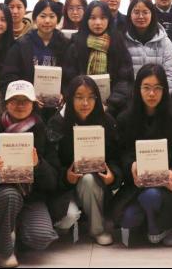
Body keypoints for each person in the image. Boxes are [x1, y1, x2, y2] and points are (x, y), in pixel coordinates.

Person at [0, 81, 59, 268]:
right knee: (9, 196)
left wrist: (38, 165)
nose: (20, 105)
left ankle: (19, 232)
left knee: (41, 237)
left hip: (33, 196)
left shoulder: (43, 130)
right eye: (14, 100)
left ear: (33, 104)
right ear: (6, 103)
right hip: (4, 195)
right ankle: (3, 250)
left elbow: (53, 180)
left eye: (25, 101)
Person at [112, 65, 172, 247]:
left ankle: (161, 227)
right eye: (146, 87)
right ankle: (150, 220)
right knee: (128, 218)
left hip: (168, 186)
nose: (151, 93)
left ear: (164, 89)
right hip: (137, 186)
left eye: (157, 88)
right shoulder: (125, 119)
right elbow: (120, 153)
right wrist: (131, 165)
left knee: (152, 196)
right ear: (138, 89)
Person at [47, 76, 122, 246]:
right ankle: (66, 223)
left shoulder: (107, 122)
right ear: (70, 98)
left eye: (91, 97)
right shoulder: (58, 123)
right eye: (79, 97)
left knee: (88, 180)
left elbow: (116, 157)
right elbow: (51, 163)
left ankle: (97, 230)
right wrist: (66, 177)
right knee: (67, 219)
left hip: (95, 184)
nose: (85, 103)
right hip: (65, 188)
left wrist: (112, 176)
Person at [1, 0, 70, 120]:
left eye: (52, 16)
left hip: (58, 110)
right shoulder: (21, 45)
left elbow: (71, 75)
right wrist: (27, 96)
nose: (47, 21)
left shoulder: (66, 44)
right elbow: (9, 76)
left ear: (58, 19)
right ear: (34, 18)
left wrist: (64, 94)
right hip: (26, 108)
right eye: (42, 16)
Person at [63, 0, 133, 117]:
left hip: (113, 108)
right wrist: (82, 101)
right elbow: (68, 78)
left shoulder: (117, 42)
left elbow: (125, 79)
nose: (98, 22)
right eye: (93, 18)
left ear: (109, 20)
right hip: (80, 107)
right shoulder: (76, 44)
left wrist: (110, 104)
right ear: (86, 20)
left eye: (103, 18)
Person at [124, 0, 172, 93]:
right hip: (130, 96)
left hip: (157, 95)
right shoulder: (122, 40)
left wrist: (164, 96)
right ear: (130, 15)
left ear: (152, 14)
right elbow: (120, 77)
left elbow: (169, 75)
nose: (141, 16)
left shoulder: (165, 42)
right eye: (136, 12)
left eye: (145, 12)